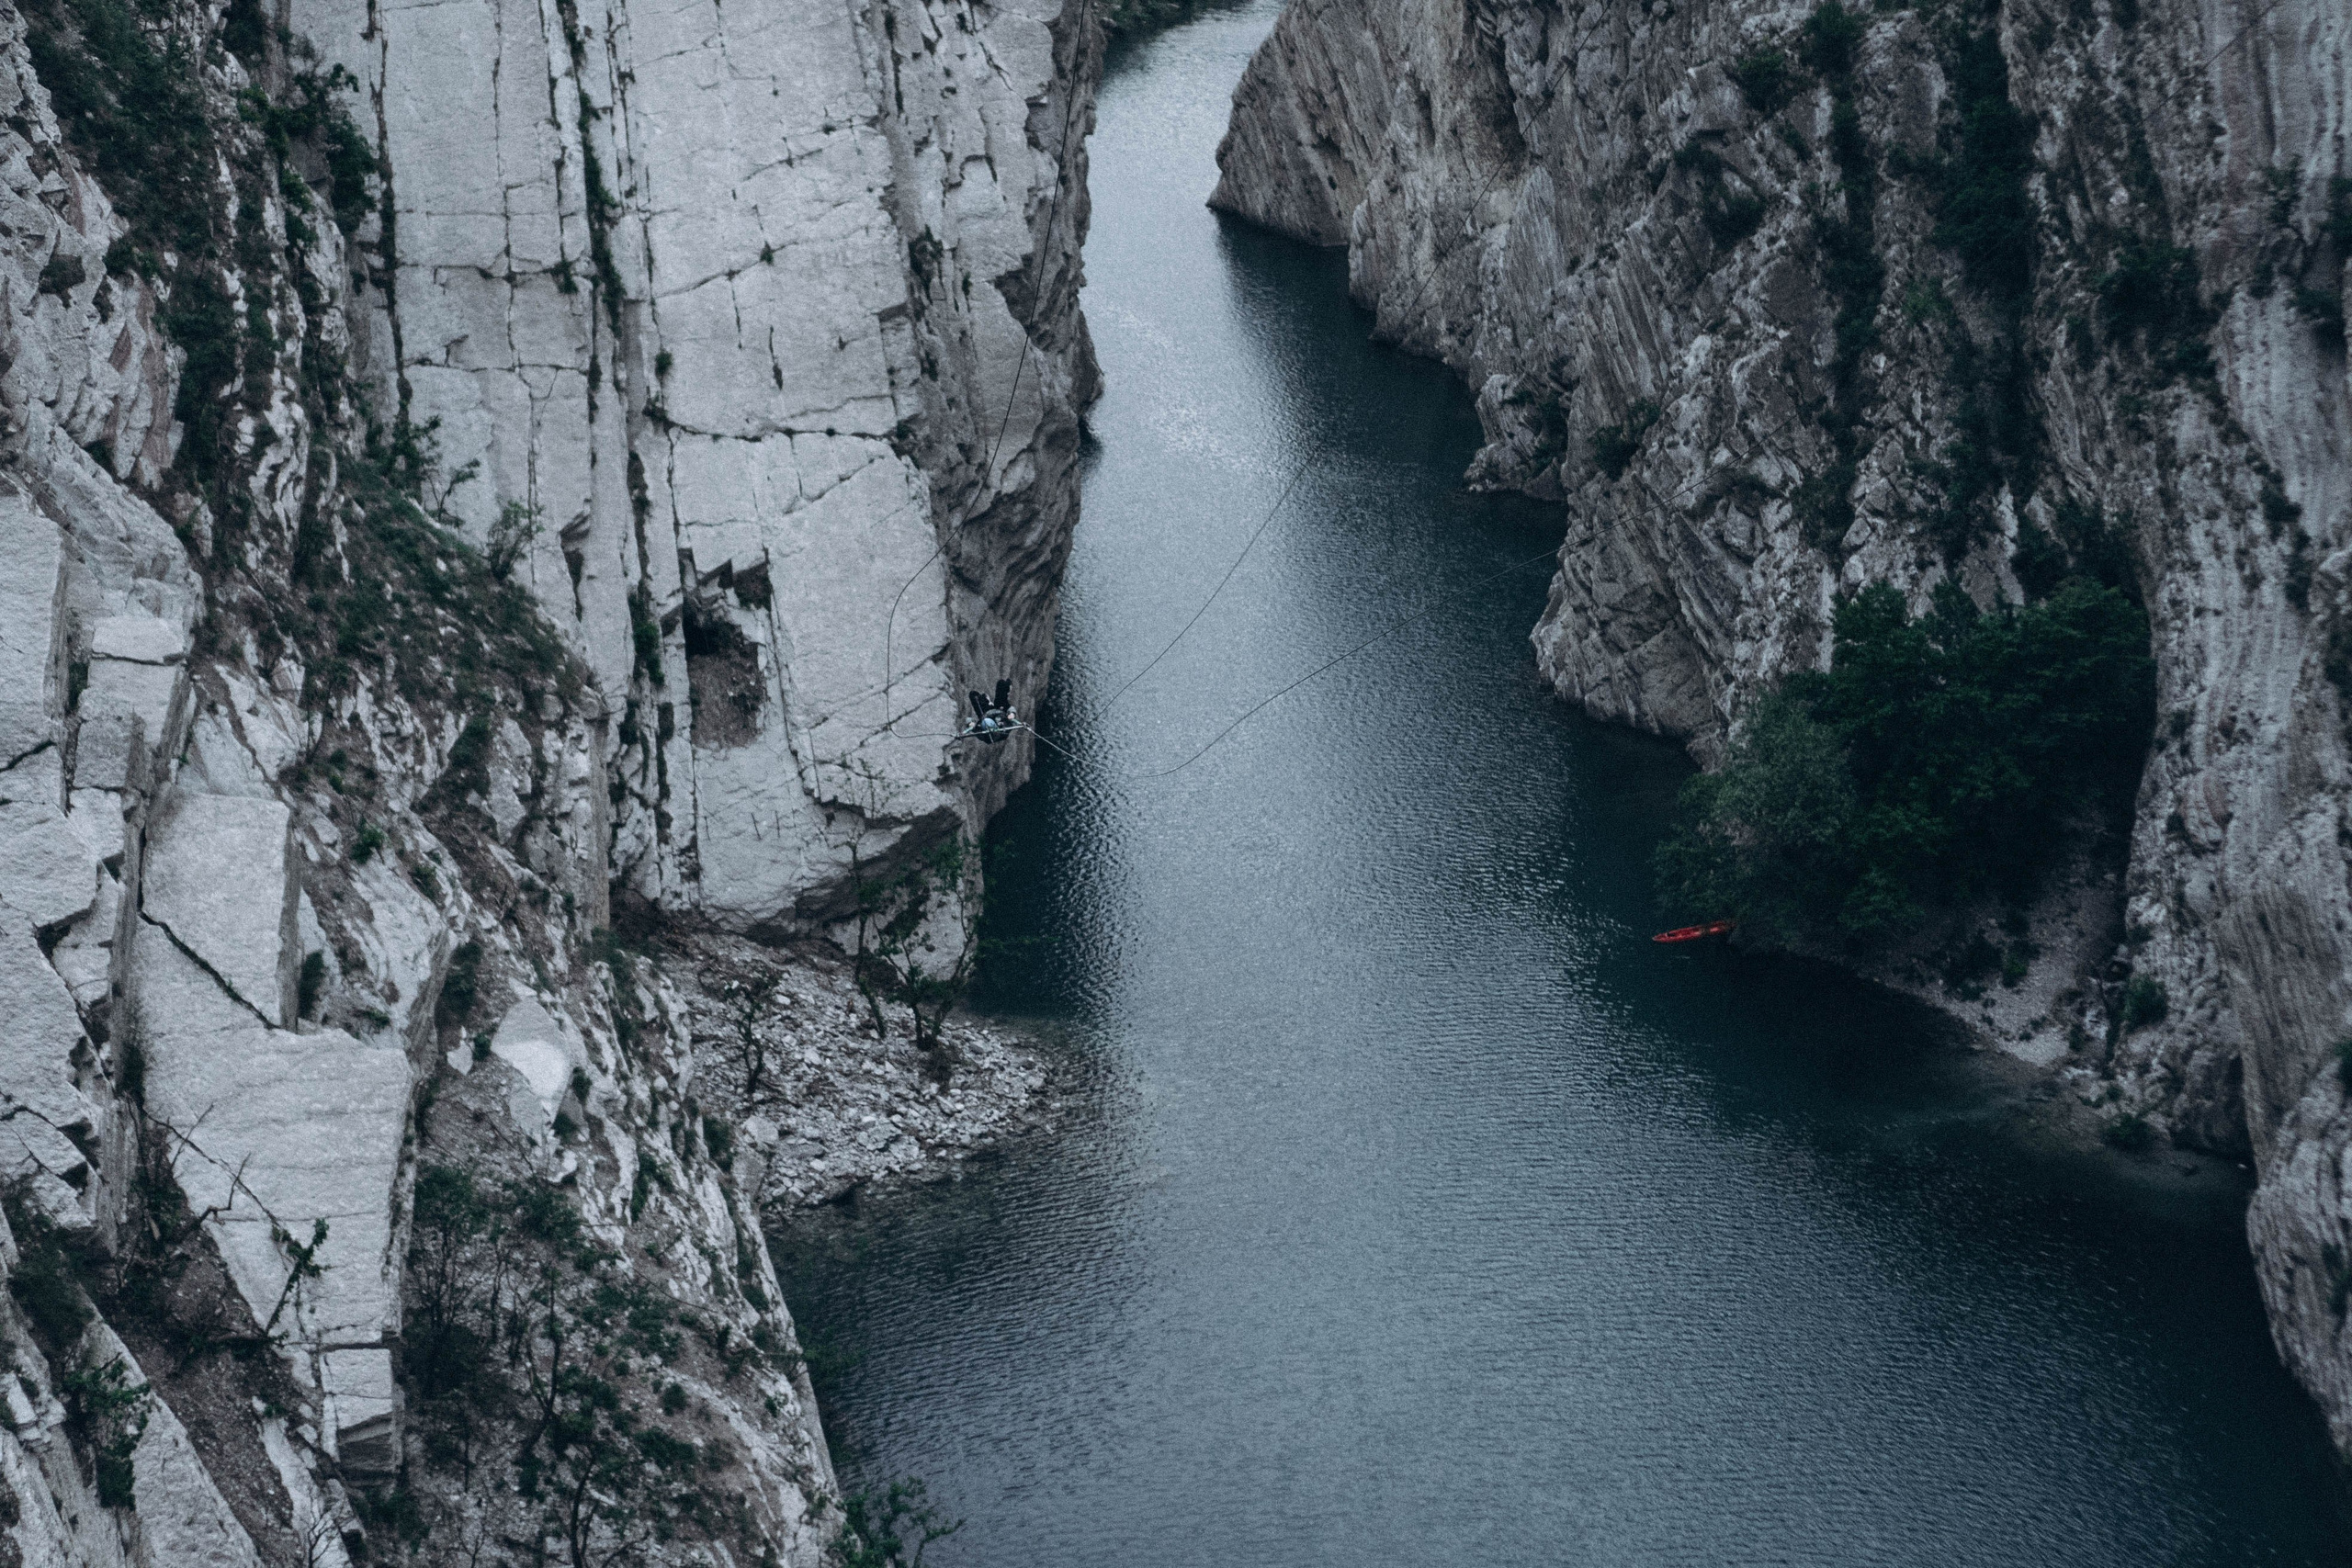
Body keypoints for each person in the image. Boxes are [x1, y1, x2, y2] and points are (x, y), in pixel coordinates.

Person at [966, 679, 1017, 744]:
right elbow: (970, 720)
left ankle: (1007, 687)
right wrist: (970, 723)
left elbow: (969, 720)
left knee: (974, 695)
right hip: (992, 716)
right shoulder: (988, 712)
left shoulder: (980, 731)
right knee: (974, 695)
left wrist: (1012, 714)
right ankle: (1007, 687)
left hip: (993, 718)